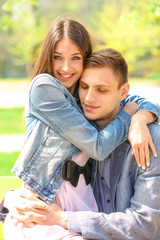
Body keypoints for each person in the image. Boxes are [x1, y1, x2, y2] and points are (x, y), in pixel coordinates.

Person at [0, 18, 159, 239]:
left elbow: (129, 98)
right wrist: (8, 199)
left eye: (75, 58)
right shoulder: (45, 87)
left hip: (80, 205)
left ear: (85, 60)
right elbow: (98, 147)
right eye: (57, 57)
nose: (66, 68)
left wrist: (142, 116)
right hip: (48, 201)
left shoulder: (81, 96)